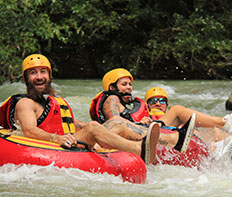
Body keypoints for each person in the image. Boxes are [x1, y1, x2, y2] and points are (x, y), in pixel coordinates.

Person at [0, 54, 161, 164]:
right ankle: (138, 150)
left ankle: (164, 142)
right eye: (33, 73)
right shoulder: (25, 104)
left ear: (50, 76)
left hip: (68, 143)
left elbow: (70, 123)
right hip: (55, 148)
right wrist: (56, 138)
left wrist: (97, 127)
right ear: (25, 78)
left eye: (43, 72)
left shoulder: (52, 101)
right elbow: (30, 131)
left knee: (115, 123)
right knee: (93, 128)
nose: (39, 76)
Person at [89, 68, 196, 153]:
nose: (129, 88)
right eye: (124, 84)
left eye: (130, 84)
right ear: (112, 87)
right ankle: (174, 140)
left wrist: (140, 123)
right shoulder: (112, 98)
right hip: (113, 140)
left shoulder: (119, 102)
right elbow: (115, 123)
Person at [145, 86, 232, 143]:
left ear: (167, 105)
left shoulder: (176, 116)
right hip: (169, 136)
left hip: (192, 138)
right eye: (153, 101)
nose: (158, 104)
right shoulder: (145, 116)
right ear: (147, 105)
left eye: (162, 101)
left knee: (210, 129)